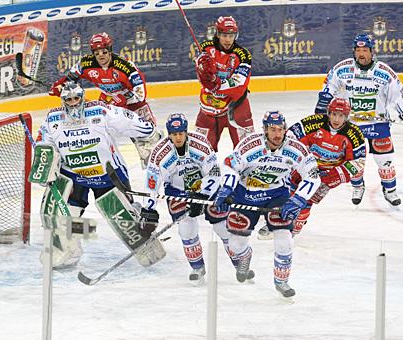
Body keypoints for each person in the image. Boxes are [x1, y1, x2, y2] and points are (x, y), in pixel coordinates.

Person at [30, 82, 161, 268]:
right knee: (59, 217)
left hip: (108, 174)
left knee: (123, 219)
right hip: (74, 176)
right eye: (68, 99)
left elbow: (128, 119)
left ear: (83, 98)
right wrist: (45, 164)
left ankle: (143, 235)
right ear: (63, 101)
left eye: (76, 98)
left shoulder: (99, 111)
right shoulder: (53, 119)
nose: (73, 103)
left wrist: (150, 133)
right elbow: (44, 143)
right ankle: (69, 251)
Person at [213, 111, 321, 297]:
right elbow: (229, 165)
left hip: (276, 196)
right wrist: (227, 189)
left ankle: (282, 281)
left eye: (280, 129)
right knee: (236, 245)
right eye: (272, 129)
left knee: (285, 240)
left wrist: (298, 199)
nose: (277, 134)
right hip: (245, 194)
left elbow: (312, 175)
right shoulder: (250, 145)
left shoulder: (296, 148)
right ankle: (245, 256)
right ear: (264, 130)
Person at [140, 113, 241, 283]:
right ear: (169, 134)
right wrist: (148, 208)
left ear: (186, 132)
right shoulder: (160, 153)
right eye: (174, 134)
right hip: (177, 191)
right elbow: (152, 182)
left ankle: (240, 264)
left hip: (205, 187)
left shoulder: (200, 143)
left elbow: (214, 172)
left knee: (222, 227)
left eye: (181, 133)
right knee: (186, 229)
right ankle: (197, 267)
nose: (178, 137)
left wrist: (202, 194)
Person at [258, 98, 367, 239]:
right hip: (307, 164)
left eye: (341, 116)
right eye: (334, 114)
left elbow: (358, 162)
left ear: (346, 117)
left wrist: (328, 179)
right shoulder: (314, 122)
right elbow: (290, 135)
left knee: (307, 198)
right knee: (285, 187)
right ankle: (277, 220)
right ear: (328, 113)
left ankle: (294, 228)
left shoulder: (354, 134)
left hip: (330, 172)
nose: (336, 119)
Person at [315, 33, 403, 206]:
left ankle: (390, 190)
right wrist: (323, 101)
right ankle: (358, 186)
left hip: (378, 124)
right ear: (354, 51)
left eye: (365, 50)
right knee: (354, 161)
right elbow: (329, 86)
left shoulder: (385, 72)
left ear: (371, 51)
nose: (361, 54)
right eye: (358, 50)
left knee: (384, 160)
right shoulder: (342, 68)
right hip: (351, 125)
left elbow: (398, 96)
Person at [49, 32, 159, 168]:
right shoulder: (85, 64)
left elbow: (140, 94)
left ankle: (156, 156)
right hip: (107, 101)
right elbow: (69, 80)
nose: (101, 55)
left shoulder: (125, 66)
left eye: (104, 51)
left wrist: (123, 99)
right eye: (97, 52)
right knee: (99, 134)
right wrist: (59, 86)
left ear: (110, 50)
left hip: (133, 103)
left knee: (147, 142)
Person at [193, 16, 254, 152]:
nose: (228, 39)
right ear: (218, 34)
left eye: (231, 35)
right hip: (211, 105)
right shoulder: (205, 48)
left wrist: (217, 84)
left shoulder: (243, 55)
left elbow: (239, 83)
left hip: (237, 105)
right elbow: (200, 75)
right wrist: (201, 67)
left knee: (247, 149)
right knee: (200, 151)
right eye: (224, 35)